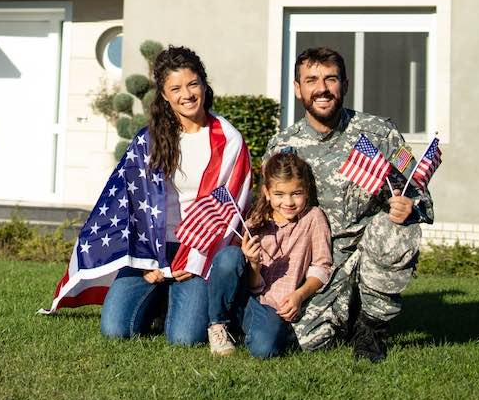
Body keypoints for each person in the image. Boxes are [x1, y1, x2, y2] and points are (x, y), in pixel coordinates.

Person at [42, 46, 251, 348]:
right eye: (175, 88)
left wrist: (189, 260)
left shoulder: (228, 139)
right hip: (150, 246)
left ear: (204, 85)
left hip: (198, 248)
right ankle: (159, 299)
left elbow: (228, 208)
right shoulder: (149, 138)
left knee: (184, 339)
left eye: (193, 84)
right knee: (116, 329)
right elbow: (127, 203)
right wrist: (147, 261)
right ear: (164, 95)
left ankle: (170, 300)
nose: (187, 94)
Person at [263, 47, 434, 363]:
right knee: (302, 341)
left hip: (370, 248)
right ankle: (348, 311)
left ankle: (371, 331)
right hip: (321, 261)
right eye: (311, 80)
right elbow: (269, 215)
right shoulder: (282, 146)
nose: (322, 88)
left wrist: (410, 206)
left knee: (393, 227)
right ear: (298, 89)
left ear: (345, 84)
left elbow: (418, 189)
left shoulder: (380, 133)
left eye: (331, 78)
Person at [206, 151, 332, 358]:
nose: (289, 202)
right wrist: (253, 263)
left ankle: (244, 329)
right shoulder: (256, 220)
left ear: (307, 191)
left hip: (274, 304)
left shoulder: (313, 218)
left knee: (266, 350)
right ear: (267, 192)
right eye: (280, 194)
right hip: (245, 296)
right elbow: (251, 283)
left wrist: (300, 295)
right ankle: (218, 324)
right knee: (230, 255)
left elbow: (322, 266)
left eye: (296, 193)